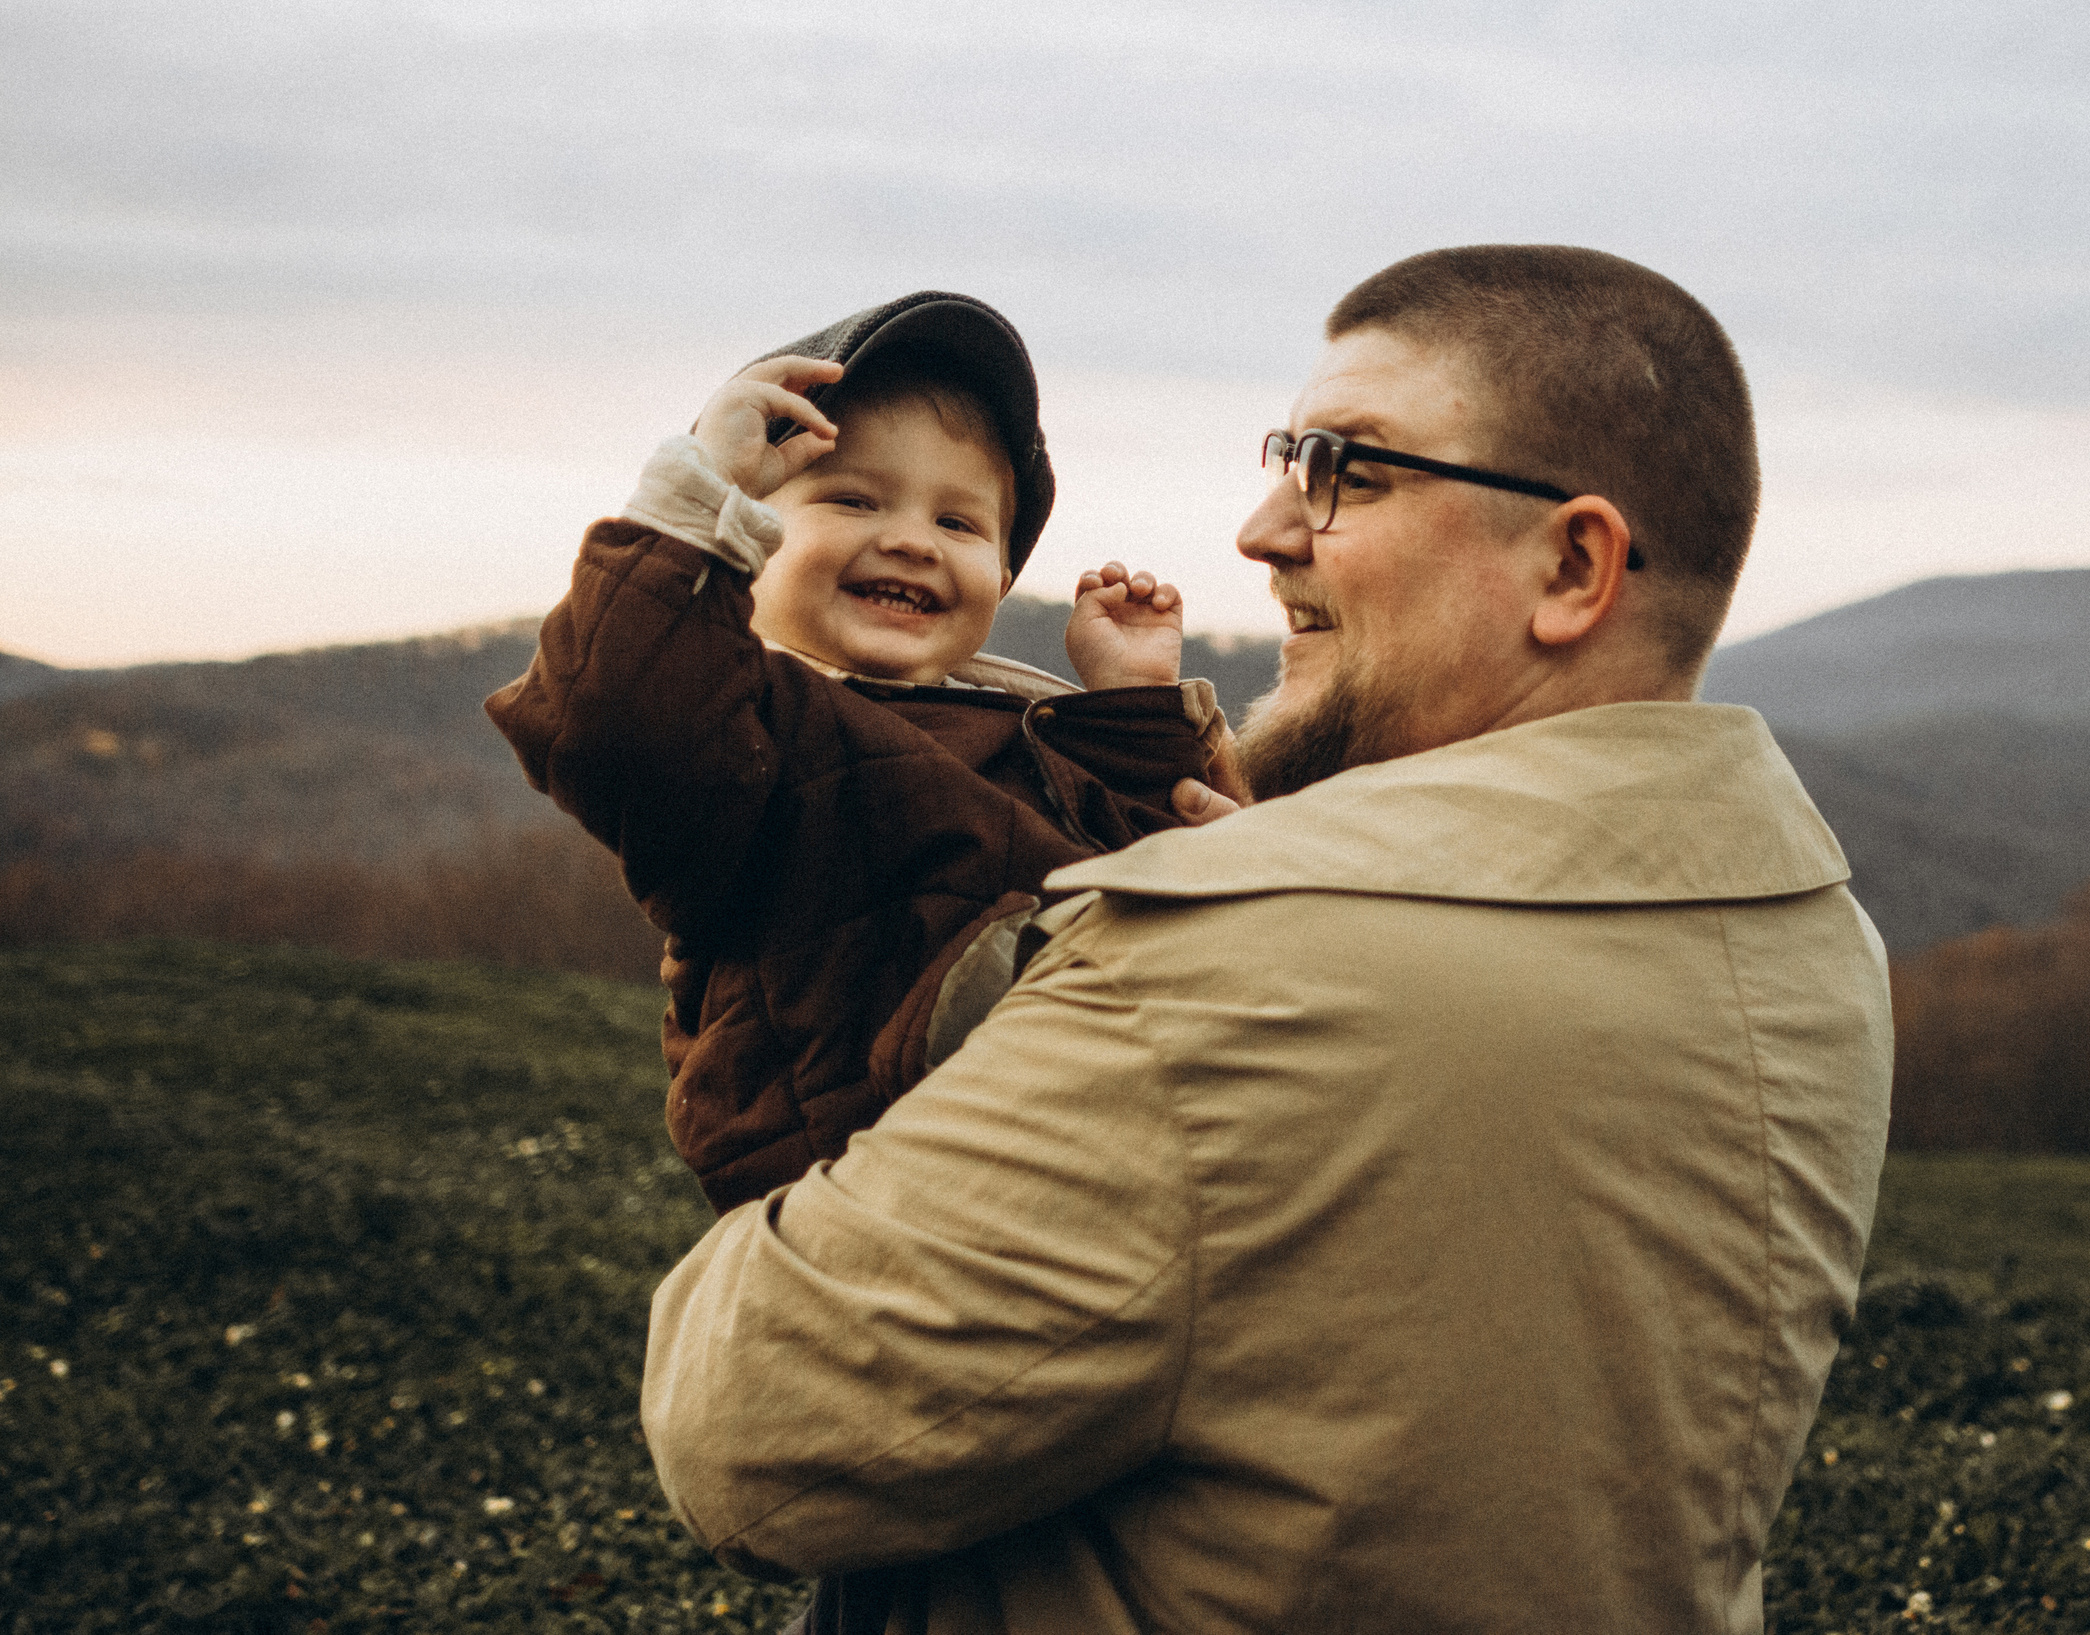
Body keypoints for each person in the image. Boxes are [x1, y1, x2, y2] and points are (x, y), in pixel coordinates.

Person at [642, 247, 1896, 1634]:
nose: (1262, 528)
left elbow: (744, 1437)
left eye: (1345, 468)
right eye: (1284, 456)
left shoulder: (1228, 969)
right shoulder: (1815, 949)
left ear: (1573, 564)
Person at [487, 292, 1236, 1212]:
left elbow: (1162, 881)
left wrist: (1128, 711)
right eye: (851, 498)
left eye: (958, 523)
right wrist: (696, 504)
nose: (911, 539)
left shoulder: (1025, 727)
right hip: (864, 1202)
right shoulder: (747, 729)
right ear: (749, 540)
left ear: (1003, 576)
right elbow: (614, 719)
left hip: (1085, 1171)